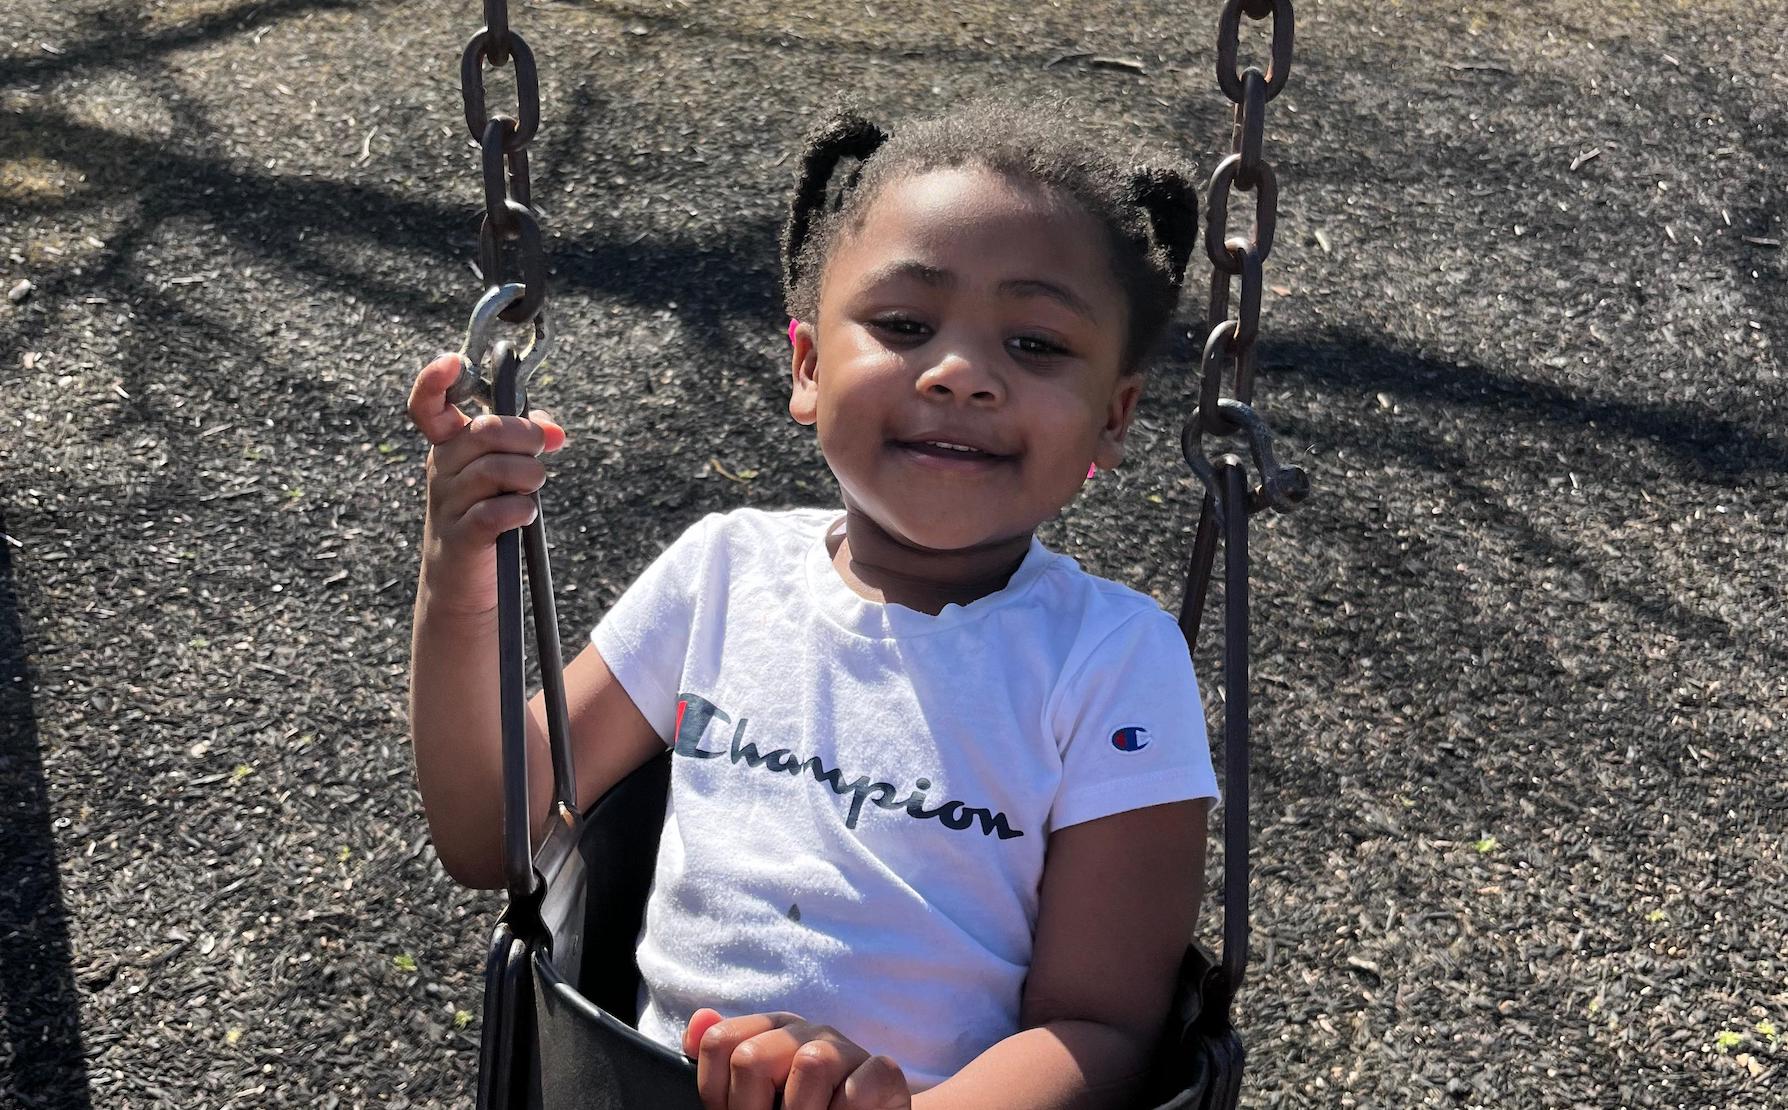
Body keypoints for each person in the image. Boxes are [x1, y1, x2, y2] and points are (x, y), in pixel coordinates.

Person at [407, 100, 1219, 1110]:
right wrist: (462, 573)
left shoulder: (1111, 659)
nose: (962, 374)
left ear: (1115, 416)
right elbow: (494, 832)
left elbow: (1101, 1028)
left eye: (1037, 344)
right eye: (905, 325)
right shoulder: (721, 575)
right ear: (806, 367)